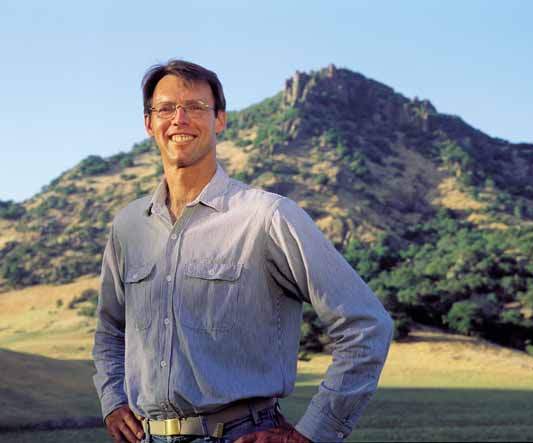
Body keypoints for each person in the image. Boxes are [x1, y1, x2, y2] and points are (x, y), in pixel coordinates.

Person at [93, 59, 393, 443]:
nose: (180, 118)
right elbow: (109, 331)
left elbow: (367, 325)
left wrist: (313, 434)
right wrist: (113, 399)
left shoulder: (267, 216)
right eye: (166, 108)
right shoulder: (128, 226)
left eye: (196, 107)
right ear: (149, 123)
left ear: (220, 120)